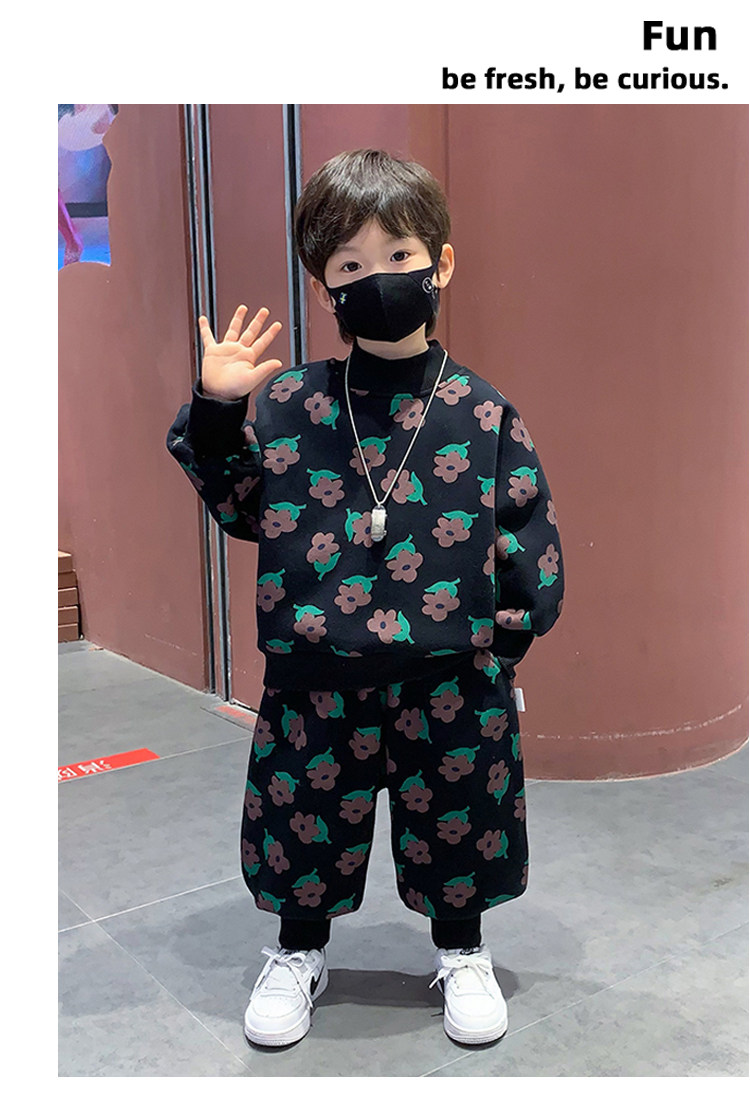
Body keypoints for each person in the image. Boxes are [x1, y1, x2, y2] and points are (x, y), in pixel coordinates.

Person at [166, 149, 564, 1048]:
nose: (377, 277)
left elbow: (526, 534)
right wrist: (219, 407)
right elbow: (239, 501)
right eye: (350, 264)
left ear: (440, 263)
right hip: (315, 674)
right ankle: (297, 949)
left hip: (451, 675)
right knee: (300, 822)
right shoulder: (292, 403)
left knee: (459, 826)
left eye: (398, 255)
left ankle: (462, 948)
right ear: (325, 288)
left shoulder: (483, 411)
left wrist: (501, 647)